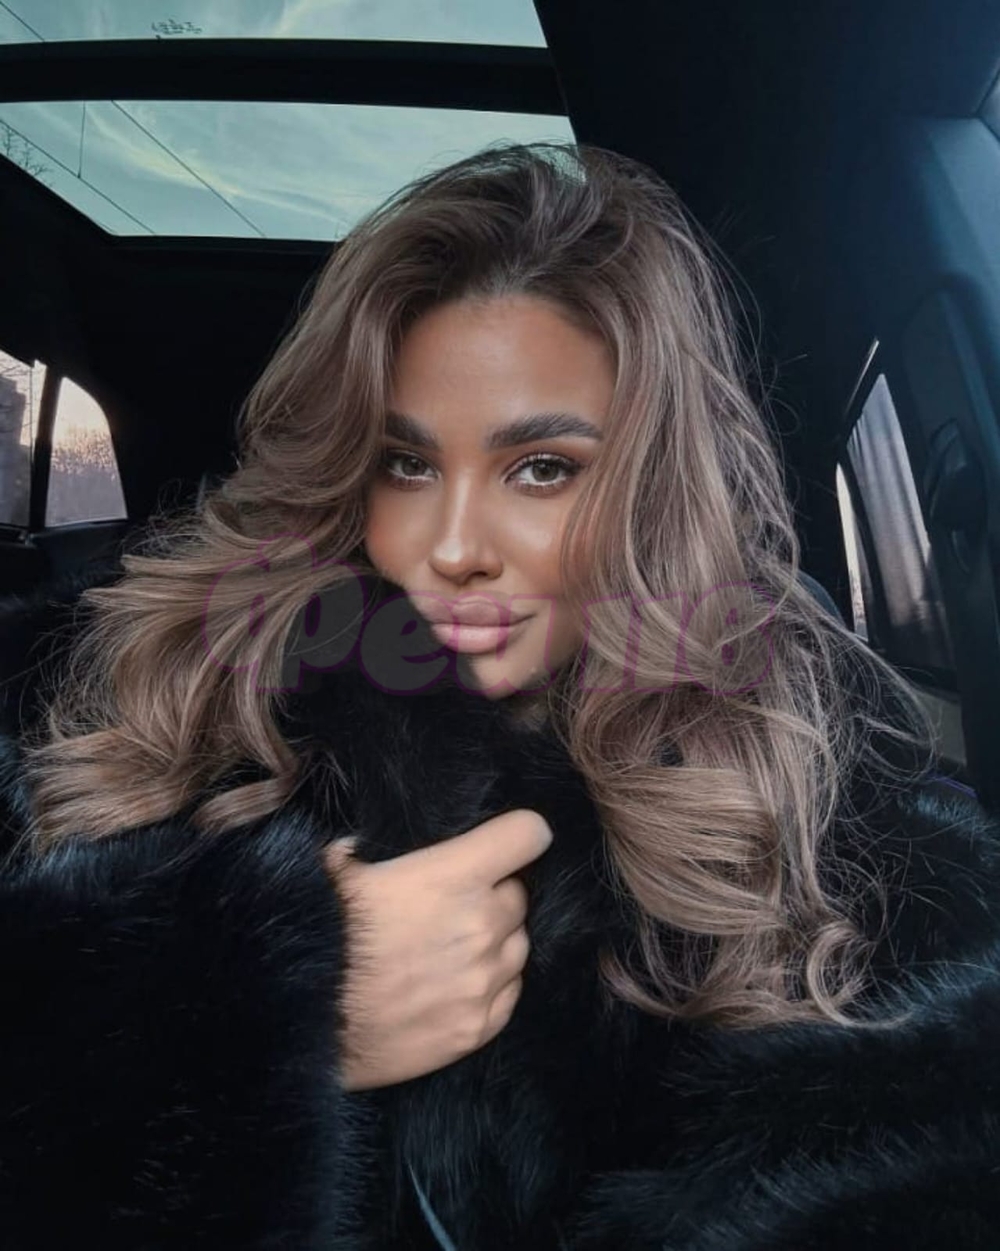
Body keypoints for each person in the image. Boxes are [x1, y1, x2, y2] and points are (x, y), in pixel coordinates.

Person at [1, 140, 999, 1251]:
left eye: (542, 469)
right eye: (406, 463)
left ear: (650, 489)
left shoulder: (821, 790)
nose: (454, 547)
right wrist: (253, 1022)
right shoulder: (142, 698)